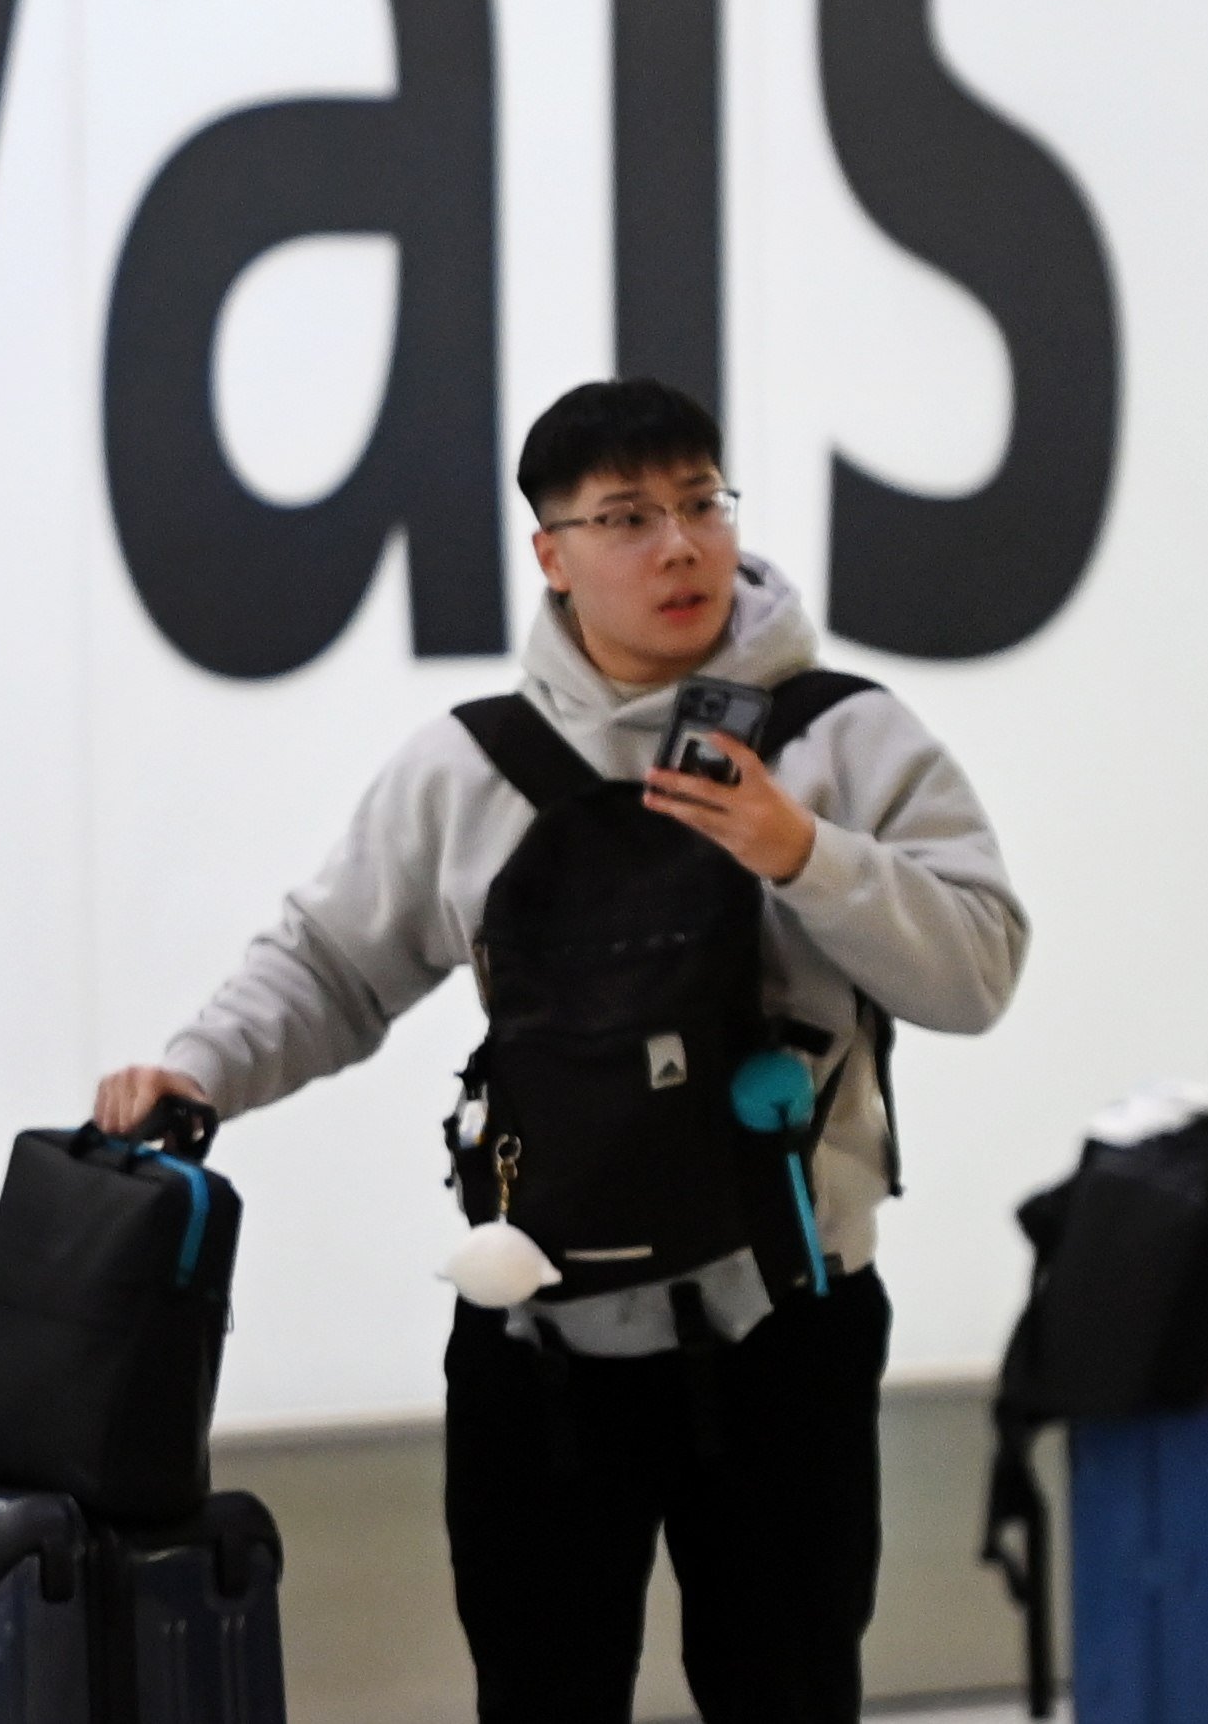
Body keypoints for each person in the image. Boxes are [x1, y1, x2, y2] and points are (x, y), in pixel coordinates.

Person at [94, 378, 1026, 1724]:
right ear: (552, 552)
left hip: (785, 1318)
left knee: (787, 1688)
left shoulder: (845, 738)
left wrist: (805, 854)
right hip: (537, 1326)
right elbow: (329, 960)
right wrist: (196, 1070)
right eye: (628, 517)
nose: (679, 547)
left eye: (702, 503)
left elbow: (979, 967)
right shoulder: (470, 767)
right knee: (540, 1690)